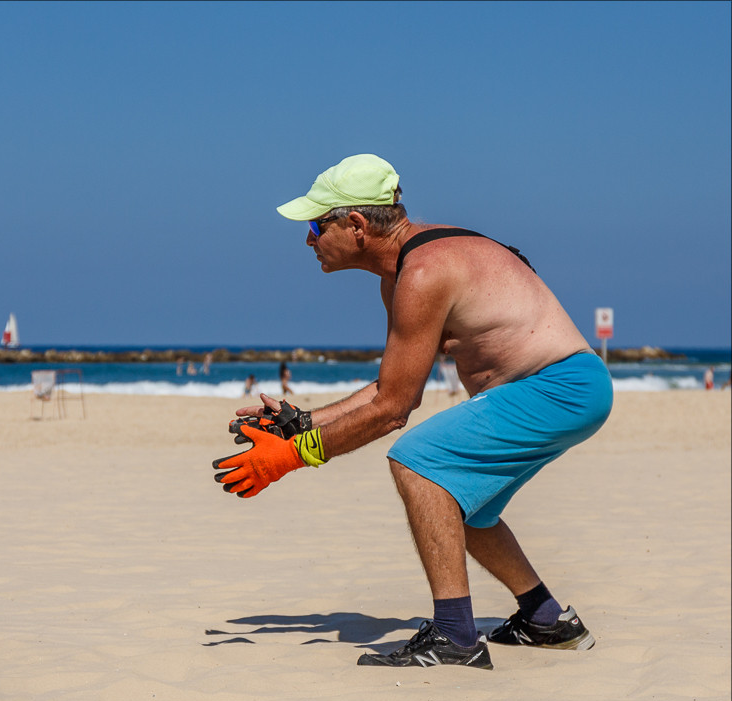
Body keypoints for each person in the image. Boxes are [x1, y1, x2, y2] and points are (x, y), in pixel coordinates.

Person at [213, 154, 612, 670]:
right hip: (567, 388)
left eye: (315, 225)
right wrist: (307, 422)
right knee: (466, 505)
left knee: (419, 462)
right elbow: (394, 386)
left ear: (355, 225)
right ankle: (546, 619)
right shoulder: (406, 269)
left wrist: (291, 456)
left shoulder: (423, 272)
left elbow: (393, 411)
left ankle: (455, 638)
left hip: (558, 387)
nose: (308, 239)